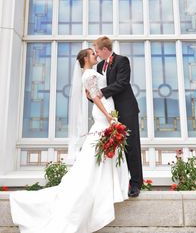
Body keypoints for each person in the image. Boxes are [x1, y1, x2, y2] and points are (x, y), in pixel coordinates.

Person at [10, 48, 129, 233]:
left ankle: (110, 190)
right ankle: (101, 192)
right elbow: (97, 98)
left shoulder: (92, 73)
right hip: (103, 114)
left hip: (107, 111)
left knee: (100, 154)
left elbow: (96, 93)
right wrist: (108, 116)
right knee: (97, 154)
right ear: (84, 59)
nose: (95, 55)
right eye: (92, 54)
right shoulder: (88, 75)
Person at [93, 36, 143, 197]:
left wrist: (102, 93)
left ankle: (135, 183)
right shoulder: (100, 65)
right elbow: (99, 87)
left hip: (127, 109)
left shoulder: (122, 61)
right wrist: (92, 95)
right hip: (109, 112)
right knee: (111, 147)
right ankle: (116, 184)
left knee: (131, 146)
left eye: (98, 51)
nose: (96, 54)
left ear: (105, 50)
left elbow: (122, 82)